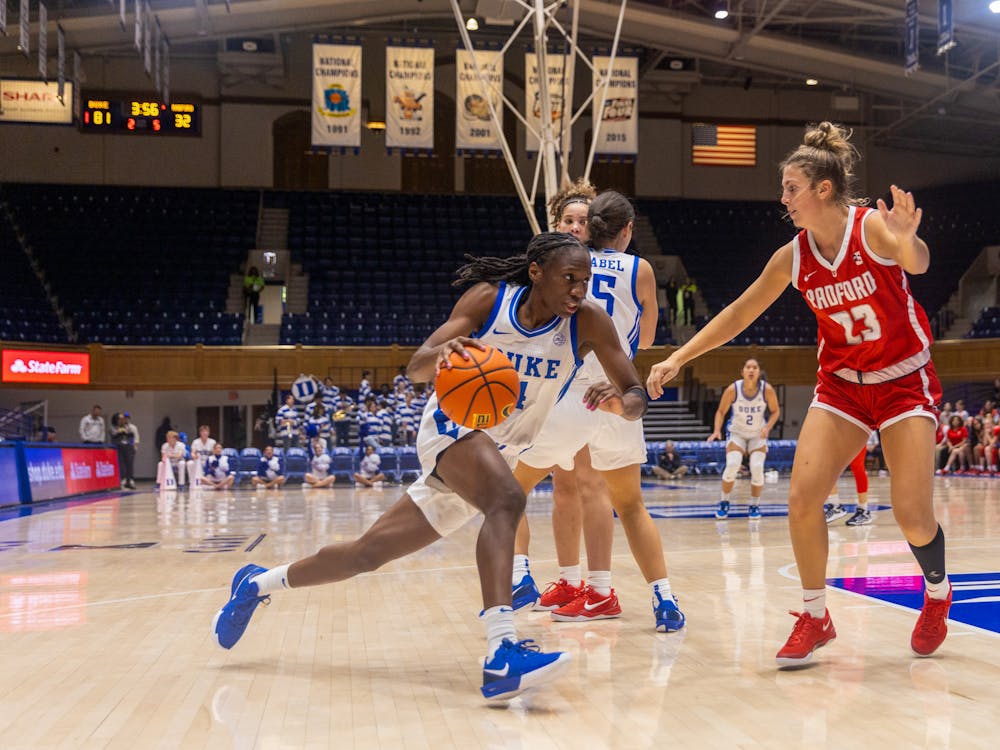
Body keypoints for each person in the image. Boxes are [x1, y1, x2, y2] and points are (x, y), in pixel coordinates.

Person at [211, 232, 649, 701]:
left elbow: (635, 391)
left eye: (584, 281)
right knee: (507, 499)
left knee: (367, 553)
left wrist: (622, 404)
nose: (579, 290)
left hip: (497, 452)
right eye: (569, 279)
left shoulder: (589, 323)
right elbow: (416, 367)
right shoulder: (488, 301)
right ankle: (501, 651)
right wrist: (442, 355)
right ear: (537, 272)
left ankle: (257, 583)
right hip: (450, 427)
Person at [647, 122, 951, 667]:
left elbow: (918, 262)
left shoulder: (873, 229)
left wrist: (907, 237)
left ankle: (936, 591)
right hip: (841, 386)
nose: (783, 198)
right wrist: (678, 356)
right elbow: (739, 312)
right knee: (801, 498)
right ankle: (816, 615)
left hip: (904, 379)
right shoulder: (793, 255)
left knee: (911, 516)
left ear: (823, 190)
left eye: (791, 188)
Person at [512, 189, 684, 632]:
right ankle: (662, 598)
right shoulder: (641, 268)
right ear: (627, 230)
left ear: (588, 227)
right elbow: (644, 341)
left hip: (573, 393)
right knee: (630, 505)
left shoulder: (570, 267)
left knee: (508, 490)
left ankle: (518, 578)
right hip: (619, 395)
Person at [709, 358, 781, 520]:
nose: (751, 370)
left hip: (757, 434)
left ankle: (754, 505)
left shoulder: (766, 389)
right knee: (733, 464)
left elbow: (775, 411)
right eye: (748, 367)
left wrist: (767, 427)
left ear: (758, 372)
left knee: (756, 467)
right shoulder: (733, 389)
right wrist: (716, 430)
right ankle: (724, 502)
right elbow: (720, 411)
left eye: (754, 367)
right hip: (737, 433)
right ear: (742, 371)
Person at [823, 446, 872, 526]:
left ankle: (864, 510)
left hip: (858, 434)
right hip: (838, 435)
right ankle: (836, 507)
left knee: (857, 466)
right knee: (829, 465)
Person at [111, 412, 140, 489]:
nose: (122, 420)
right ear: (116, 420)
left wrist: (133, 447)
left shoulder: (129, 427)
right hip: (119, 448)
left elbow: (132, 436)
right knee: (121, 465)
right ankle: (120, 481)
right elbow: (114, 435)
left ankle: (129, 481)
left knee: (129, 465)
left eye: (123, 419)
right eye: (120, 419)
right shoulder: (113, 427)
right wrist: (120, 432)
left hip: (128, 447)